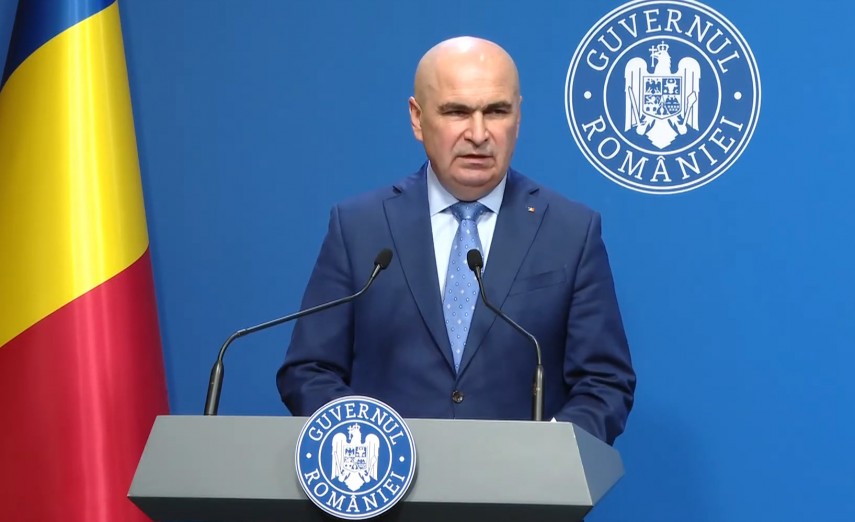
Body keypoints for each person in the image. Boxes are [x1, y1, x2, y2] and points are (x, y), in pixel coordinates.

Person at [277, 36, 635, 445]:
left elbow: (604, 383)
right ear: (417, 118)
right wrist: (365, 444)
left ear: (518, 117)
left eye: (496, 111)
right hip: (388, 479)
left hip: (519, 482)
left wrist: (548, 454)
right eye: (457, 112)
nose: (478, 134)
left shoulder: (570, 231)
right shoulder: (359, 226)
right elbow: (309, 370)